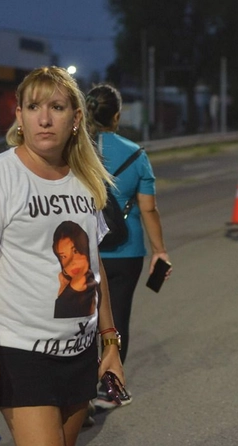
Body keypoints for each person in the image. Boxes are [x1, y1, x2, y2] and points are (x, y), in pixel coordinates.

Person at [0, 66, 125, 446]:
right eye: (33, 108)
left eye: (56, 107)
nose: (44, 119)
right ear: (19, 115)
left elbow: (95, 271)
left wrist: (110, 344)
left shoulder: (86, 182)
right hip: (19, 353)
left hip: (78, 353)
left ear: (76, 117)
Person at [85, 82, 171, 410]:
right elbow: (148, 208)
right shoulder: (136, 154)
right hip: (126, 251)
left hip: (83, 250)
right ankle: (111, 386)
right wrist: (160, 250)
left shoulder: (75, 152)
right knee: (118, 316)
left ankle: (81, 393)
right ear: (117, 116)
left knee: (81, 319)